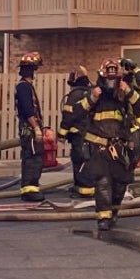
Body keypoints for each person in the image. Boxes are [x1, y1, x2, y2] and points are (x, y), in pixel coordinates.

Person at [70, 58, 140, 231]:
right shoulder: (93, 92)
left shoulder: (124, 94)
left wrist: (128, 92)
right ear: (101, 77)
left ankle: (113, 212)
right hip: (99, 148)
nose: (111, 82)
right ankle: (103, 218)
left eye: (115, 78)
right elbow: (75, 113)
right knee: (103, 182)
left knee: (120, 184)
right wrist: (92, 98)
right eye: (108, 78)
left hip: (120, 148)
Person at [14, 51, 51, 202]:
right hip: (29, 130)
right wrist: (36, 128)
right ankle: (30, 190)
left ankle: (31, 187)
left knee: (34, 158)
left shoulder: (26, 86)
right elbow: (28, 109)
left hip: (30, 129)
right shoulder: (24, 87)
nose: (35, 72)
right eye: (34, 69)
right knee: (33, 159)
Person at [57, 65, 95, 199]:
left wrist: (61, 134)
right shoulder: (92, 92)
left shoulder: (75, 94)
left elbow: (68, 116)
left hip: (79, 135)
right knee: (88, 160)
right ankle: (82, 187)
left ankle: (84, 189)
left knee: (80, 160)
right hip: (91, 135)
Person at [120, 59, 140, 167]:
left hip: (135, 116)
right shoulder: (117, 82)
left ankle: (137, 159)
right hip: (122, 117)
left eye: (124, 67)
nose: (123, 70)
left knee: (137, 138)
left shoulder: (133, 81)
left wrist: (134, 67)